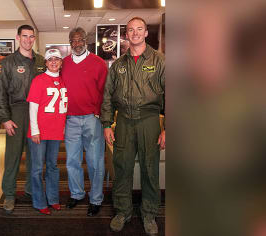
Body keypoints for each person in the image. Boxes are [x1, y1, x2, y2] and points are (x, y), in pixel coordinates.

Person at [100, 17, 165, 234]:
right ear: (126, 35)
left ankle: (149, 214)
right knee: (122, 168)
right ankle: (122, 211)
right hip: (124, 122)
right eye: (131, 30)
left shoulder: (160, 61)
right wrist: (107, 124)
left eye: (139, 29)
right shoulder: (118, 64)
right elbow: (107, 96)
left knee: (150, 169)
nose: (135, 33)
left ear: (147, 33)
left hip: (149, 121)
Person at [0, 25, 46, 213]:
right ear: (17, 37)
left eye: (31, 36)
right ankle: (9, 194)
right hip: (16, 112)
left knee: (35, 156)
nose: (28, 40)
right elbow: (0, 94)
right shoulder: (7, 62)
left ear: (34, 38)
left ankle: (32, 190)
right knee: (13, 156)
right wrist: (5, 119)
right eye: (24, 36)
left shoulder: (42, 60)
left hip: (38, 114)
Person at [60, 27, 108, 216]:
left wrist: (101, 115)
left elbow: (106, 93)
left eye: (81, 40)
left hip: (92, 119)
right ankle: (77, 193)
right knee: (72, 160)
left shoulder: (99, 63)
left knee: (95, 161)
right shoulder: (63, 64)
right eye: (74, 40)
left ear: (86, 41)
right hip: (70, 119)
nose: (77, 44)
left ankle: (96, 198)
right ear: (70, 42)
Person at [27, 49, 67, 215]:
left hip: (55, 132)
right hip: (39, 132)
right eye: (50, 59)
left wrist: (63, 126)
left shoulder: (64, 81)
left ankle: (53, 199)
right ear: (45, 63)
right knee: (37, 168)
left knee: (52, 166)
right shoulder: (39, 80)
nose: (53, 62)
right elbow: (33, 107)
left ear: (61, 62)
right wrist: (35, 130)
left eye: (56, 59)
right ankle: (39, 201)